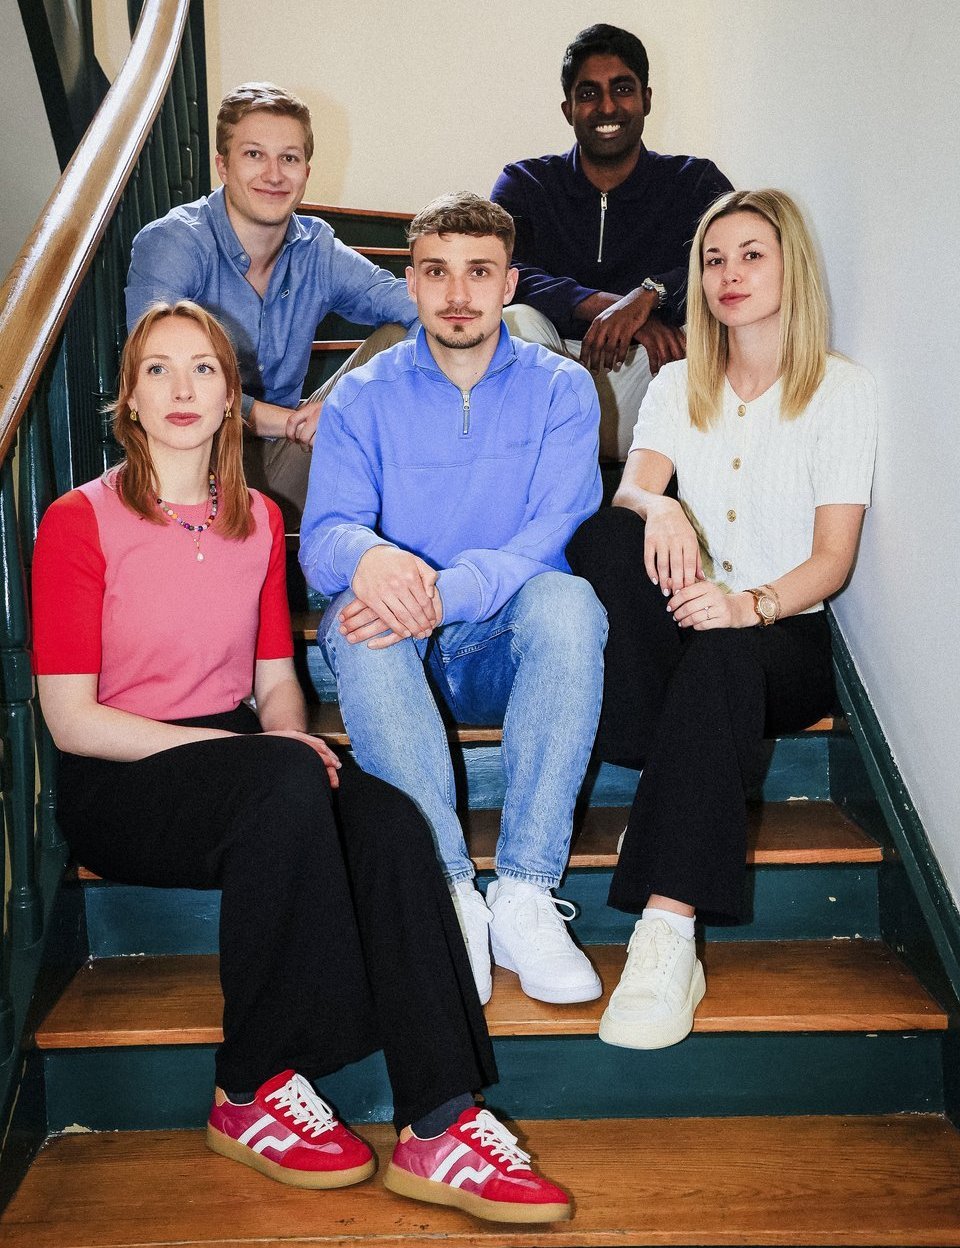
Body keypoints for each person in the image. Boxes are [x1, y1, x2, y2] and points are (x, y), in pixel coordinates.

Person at [31, 300, 570, 1224]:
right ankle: (248, 1087)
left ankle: (440, 1120)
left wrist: (292, 737)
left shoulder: (256, 523)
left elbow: (276, 680)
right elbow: (74, 722)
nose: (181, 388)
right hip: (122, 776)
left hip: (241, 764)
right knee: (283, 779)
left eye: (202, 368)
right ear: (128, 399)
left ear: (233, 395)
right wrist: (262, 751)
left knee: (389, 817)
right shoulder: (79, 520)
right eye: (156, 370)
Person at [567, 189, 878, 1050]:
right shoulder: (675, 383)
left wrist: (752, 606)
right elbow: (637, 484)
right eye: (713, 259)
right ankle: (678, 781)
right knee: (605, 531)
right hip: (688, 616)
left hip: (783, 636)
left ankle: (667, 934)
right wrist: (656, 509)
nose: (729, 275)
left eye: (751, 255)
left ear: (791, 269)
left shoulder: (841, 391)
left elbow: (832, 559)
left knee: (726, 658)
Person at [300, 193, 608, 1010]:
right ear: (413, 281)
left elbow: (553, 529)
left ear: (510, 283)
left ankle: (525, 892)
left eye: (480, 272)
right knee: (357, 624)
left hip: (499, 641)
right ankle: (447, 895)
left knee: (571, 604)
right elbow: (324, 534)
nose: (459, 293)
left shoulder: (563, 391)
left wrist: (442, 589)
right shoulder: (363, 397)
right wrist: (369, 559)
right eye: (437, 272)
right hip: (399, 647)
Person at [125, 82, 418, 528]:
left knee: (399, 340)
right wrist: (287, 421)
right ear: (222, 166)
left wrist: (349, 405)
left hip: (281, 463)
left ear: (306, 170)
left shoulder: (315, 247)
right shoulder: (175, 243)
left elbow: (416, 307)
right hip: (187, 458)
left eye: (289, 157)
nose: (274, 174)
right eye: (254, 155)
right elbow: (151, 377)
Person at [491, 23, 732, 460]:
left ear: (646, 99)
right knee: (514, 320)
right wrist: (610, 306)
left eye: (622, 88)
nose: (606, 107)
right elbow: (504, 273)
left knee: (711, 335)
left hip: (647, 376)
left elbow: (725, 265)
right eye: (588, 94)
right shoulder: (525, 183)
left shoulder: (695, 182)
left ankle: (666, 486)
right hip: (551, 370)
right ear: (568, 109)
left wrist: (647, 295)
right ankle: (546, 480)